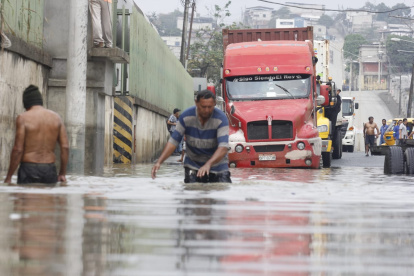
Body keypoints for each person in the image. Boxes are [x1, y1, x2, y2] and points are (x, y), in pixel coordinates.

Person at [152, 90, 231, 183]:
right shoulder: (186, 117)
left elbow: (223, 147)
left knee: (222, 191)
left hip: (218, 166)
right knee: (191, 192)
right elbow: (173, 142)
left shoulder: (221, 118)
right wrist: (159, 162)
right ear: (196, 103)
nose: (206, 110)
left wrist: (208, 165)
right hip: (193, 165)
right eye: (203, 107)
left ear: (214, 104)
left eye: (210, 107)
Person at [4, 85, 69, 184]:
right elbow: (65, 147)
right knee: (48, 198)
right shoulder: (57, 118)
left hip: (29, 168)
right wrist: (62, 174)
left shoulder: (23, 118)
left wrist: (9, 176)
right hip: (49, 169)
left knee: (26, 197)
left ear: (26, 103)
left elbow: (18, 149)